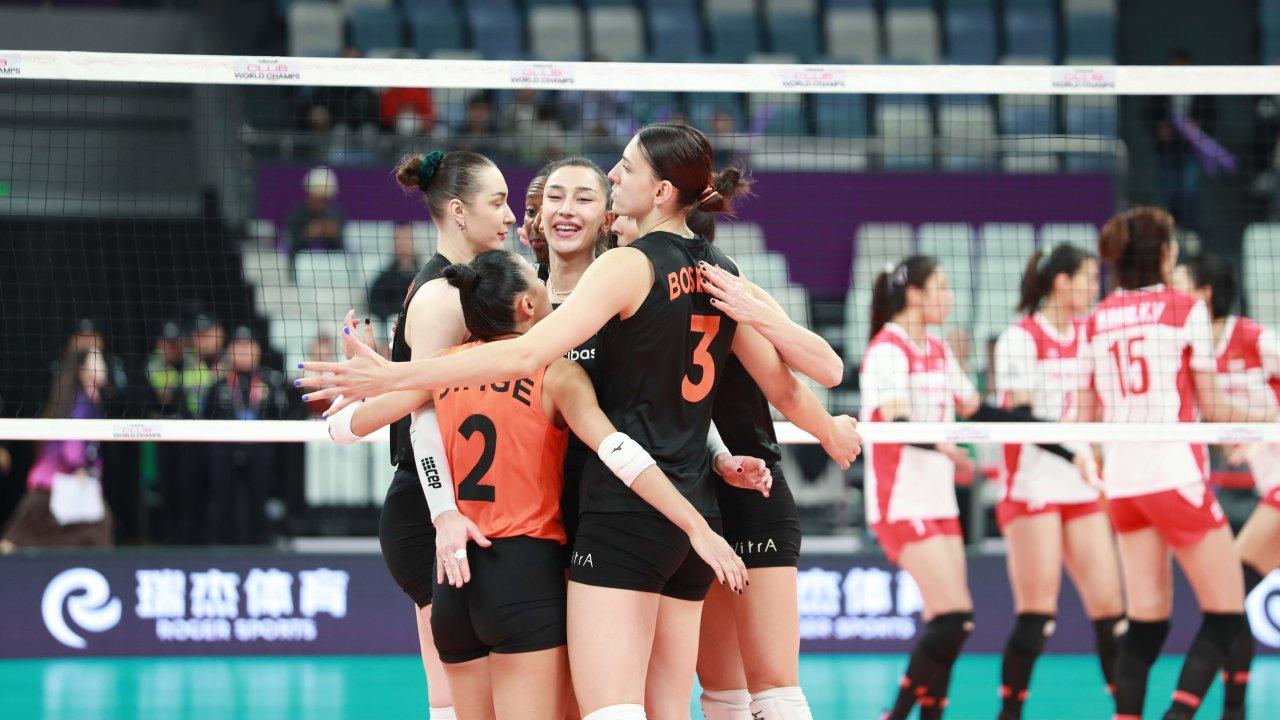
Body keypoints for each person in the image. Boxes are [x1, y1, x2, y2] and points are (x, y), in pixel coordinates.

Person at [298, 123, 862, 720]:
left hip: (621, 509)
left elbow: (594, 385)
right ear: (537, 221)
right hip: (607, 514)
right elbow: (673, 392)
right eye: (554, 197)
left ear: (618, 212)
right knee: (687, 700)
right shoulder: (516, 299)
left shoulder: (616, 283)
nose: (591, 192)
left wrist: (391, 379)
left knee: (654, 702)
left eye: (597, 188)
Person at [333, 250, 748, 719]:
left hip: (454, 580)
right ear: (527, 304)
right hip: (522, 574)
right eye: (536, 279)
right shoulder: (557, 372)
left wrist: (364, 378)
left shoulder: (444, 369)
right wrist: (696, 526)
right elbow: (619, 452)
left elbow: (343, 428)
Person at [861, 255, 1094, 720]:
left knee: (946, 624)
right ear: (915, 295)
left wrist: (1060, 442)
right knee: (955, 620)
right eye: (942, 288)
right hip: (900, 502)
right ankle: (897, 714)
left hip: (939, 501)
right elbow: (896, 424)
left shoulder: (938, 349)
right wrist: (944, 446)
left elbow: (980, 411)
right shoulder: (887, 350)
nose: (950, 298)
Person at [1082, 207, 1274, 720]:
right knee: (1227, 612)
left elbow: (1082, 416)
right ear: (1165, 253)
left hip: (1123, 485)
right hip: (1175, 477)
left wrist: (1088, 462)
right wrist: (1269, 418)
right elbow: (1215, 408)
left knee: (1148, 623)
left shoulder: (1097, 318)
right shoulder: (1184, 309)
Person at [991, 245, 1125, 720]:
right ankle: (1009, 713)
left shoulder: (1092, 336)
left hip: (1081, 486)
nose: (1095, 287)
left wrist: (1099, 455)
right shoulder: (1020, 339)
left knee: (1112, 615)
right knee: (1038, 618)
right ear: (1061, 282)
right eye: (1088, 278)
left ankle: (1126, 712)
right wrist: (1075, 453)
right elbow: (1023, 420)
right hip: (1034, 488)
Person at [1171, 254, 1280, 720]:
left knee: (1229, 596)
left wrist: (1266, 428)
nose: (1171, 293)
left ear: (1205, 294)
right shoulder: (1190, 352)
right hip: (1269, 481)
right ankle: (1233, 710)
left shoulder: (1256, 338)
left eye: (1179, 284)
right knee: (1231, 601)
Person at [1, 348, 112, 552]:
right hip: (52, 485)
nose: (103, 366)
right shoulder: (81, 400)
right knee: (14, 541)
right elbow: (72, 442)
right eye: (97, 361)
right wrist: (80, 468)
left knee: (95, 534)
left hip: (60, 486)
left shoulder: (86, 398)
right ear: (83, 370)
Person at [201, 326, 291, 545]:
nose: (243, 351)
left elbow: (282, 416)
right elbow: (206, 419)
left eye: (248, 345)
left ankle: (261, 542)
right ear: (229, 351)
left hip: (260, 449)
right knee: (222, 499)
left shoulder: (271, 383)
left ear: (258, 350)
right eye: (238, 346)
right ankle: (220, 544)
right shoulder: (218, 386)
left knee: (259, 500)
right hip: (225, 449)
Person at [1144, 49, 1217, 231]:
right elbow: (1148, 113)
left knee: (1189, 189)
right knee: (1169, 190)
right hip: (1167, 149)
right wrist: (1158, 128)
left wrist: (1198, 126)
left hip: (1192, 149)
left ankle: (1191, 231)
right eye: (1174, 66)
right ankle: (1170, 230)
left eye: (1182, 66)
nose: (1178, 70)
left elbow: (1212, 114)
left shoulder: (1202, 90)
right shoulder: (1159, 89)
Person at [284, 166, 346, 262]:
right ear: (309, 194)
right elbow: (292, 247)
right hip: (299, 264)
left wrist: (333, 235)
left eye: (325, 199)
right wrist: (308, 234)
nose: (322, 203)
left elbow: (340, 249)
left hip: (333, 266)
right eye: (318, 197)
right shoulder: (297, 215)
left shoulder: (337, 215)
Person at [368, 223, 422, 324]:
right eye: (399, 240)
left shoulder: (427, 277)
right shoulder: (383, 280)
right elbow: (375, 306)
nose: (403, 244)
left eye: (407, 239)